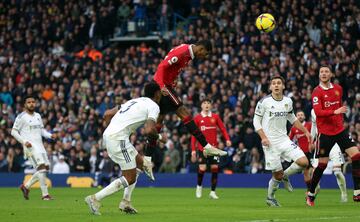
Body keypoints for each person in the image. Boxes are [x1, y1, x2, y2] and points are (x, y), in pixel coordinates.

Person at [85, 82, 166, 215]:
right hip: (118, 139)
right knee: (130, 178)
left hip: (112, 135)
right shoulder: (154, 106)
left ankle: (126, 202)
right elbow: (149, 130)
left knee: (140, 164)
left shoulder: (134, 101)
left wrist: (111, 130)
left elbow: (107, 114)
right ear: (157, 93)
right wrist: (161, 137)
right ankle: (94, 199)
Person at [145, 40, 227, 161]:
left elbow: (172, 65)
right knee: (184, 113)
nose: (203, 57)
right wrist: (162, 85)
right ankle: (206, 146)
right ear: (201, 48)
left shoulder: (187, 52)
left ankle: (147, 159)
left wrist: (174, 78)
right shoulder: (183, 52)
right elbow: (162, 66)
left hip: (164, 84)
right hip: (162, 86)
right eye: (204, 54)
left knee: (159, 122)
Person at [253, 76, 311, 207]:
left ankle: (286, 175)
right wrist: (263, 137)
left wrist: (306, 132)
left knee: (304, 162)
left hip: (284, 139)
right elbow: (256, 121)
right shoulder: (264, 102)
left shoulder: (288, 101)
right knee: (277, 175)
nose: (276, 85)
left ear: (283, 86)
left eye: (279, 83)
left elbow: (292, 118)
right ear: (270, 87)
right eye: (273, 83)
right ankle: (270, 197)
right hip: (270, 143)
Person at [306, 66, 360, 206]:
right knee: (322, 165)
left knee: (356, 156)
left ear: (331, 74)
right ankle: (311, 194)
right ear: (319, 75)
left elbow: (339, 106)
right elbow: (318, 112)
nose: (323, 73)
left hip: (340, 131)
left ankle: (357, 192)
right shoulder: (316, 92)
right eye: (321, 72)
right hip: (325, 134)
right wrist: (335, 111)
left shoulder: (338, 89)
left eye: (326, 71)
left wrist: (338, 116)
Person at [12, 95, 56, 200]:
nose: (31, 104)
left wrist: (50, 135)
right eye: (29, 102)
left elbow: (41, 131)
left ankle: (26, 186)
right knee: (41, 167)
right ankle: (45, 195)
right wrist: (24, 141)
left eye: (33, 102)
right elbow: (13, 131)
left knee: (46, 168)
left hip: (40, 145)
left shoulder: (38, 116)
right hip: (30, 146)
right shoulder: (21, 117)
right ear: (25, 105)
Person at [191, 98, 231, 199]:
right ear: (201, 106)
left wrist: (227, 139)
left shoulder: (215, 117)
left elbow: (223, 129)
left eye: (208, 103)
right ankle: (199, 187)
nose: (207, 105)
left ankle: (212, 192)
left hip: (214, 149)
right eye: (204, 103)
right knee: (202, 168)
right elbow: (193, 135)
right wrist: (193, 150)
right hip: (202, 149)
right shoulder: (197, 118)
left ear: (211, 106)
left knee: (215, 169)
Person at [310, 109, 348, 202]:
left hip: (334, 142)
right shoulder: (313, 110)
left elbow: (343, 122)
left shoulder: (333, 106)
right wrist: (311, 140)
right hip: (321, 142)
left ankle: (344, 194)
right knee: (316, 173)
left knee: (337, 171)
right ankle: (312, 196)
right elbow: (314, 125)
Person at [288, 111, 313, 190]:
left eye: (302, 115)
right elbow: (288, 140)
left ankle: (312, 189)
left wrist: (314, 144)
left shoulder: (310, 125)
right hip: (302, 153)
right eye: (298, 115)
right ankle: (310, 190)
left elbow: (316, 135)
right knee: (306, 173)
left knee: (311, 171)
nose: (300, 116)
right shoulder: (294, 128)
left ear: (304, 117)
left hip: (312, 152)